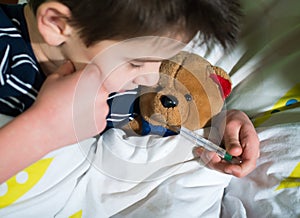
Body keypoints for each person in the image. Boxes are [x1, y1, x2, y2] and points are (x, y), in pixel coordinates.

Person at [0, 0, 259, 184]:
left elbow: (155, 114)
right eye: (136, 63)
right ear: (58, 24)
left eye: (162, 61)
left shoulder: (109, 76)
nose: (151, 77)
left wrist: (215, 123)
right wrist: (43, 129)